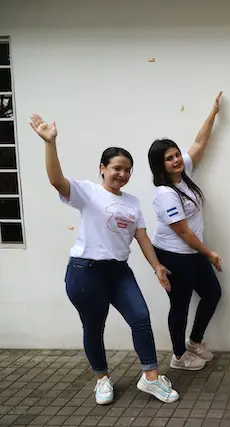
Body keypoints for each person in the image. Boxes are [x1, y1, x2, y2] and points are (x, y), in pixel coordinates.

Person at [29, 113, 180, 404]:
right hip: (85, 272)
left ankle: (150, 378)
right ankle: (101, 378)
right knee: (94, 327)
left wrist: (157, 266)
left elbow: (143, 238)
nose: (122, 174)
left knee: (140, 318)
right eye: (116, 168)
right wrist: (50, 143)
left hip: (118, 272)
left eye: (127, 170)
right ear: (103, 168)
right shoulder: (88, 192)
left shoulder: (133, 202)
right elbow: (56, 180)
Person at [147, 92, 224, 371]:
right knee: (178, 306)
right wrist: (210, 254)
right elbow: (183, 232)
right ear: (160, 165)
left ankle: (194, 342)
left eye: (177, 154)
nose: (177, 159)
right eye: (169, 158)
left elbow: (200, 143)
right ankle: (178, 356)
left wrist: (213, 113)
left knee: (212, 293)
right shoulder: (165, 194)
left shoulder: (183, 176)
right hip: (175, 255)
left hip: (192, 252)